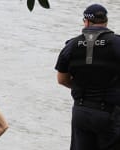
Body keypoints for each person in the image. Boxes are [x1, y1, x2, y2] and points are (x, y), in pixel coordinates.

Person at [55, 4, 120, 150]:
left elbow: (61, 79)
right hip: (109, 114)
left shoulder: (71, 45)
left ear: (86, 22)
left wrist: (80, 86)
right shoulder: (117, 43)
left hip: (80, 112)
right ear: (106, 21)